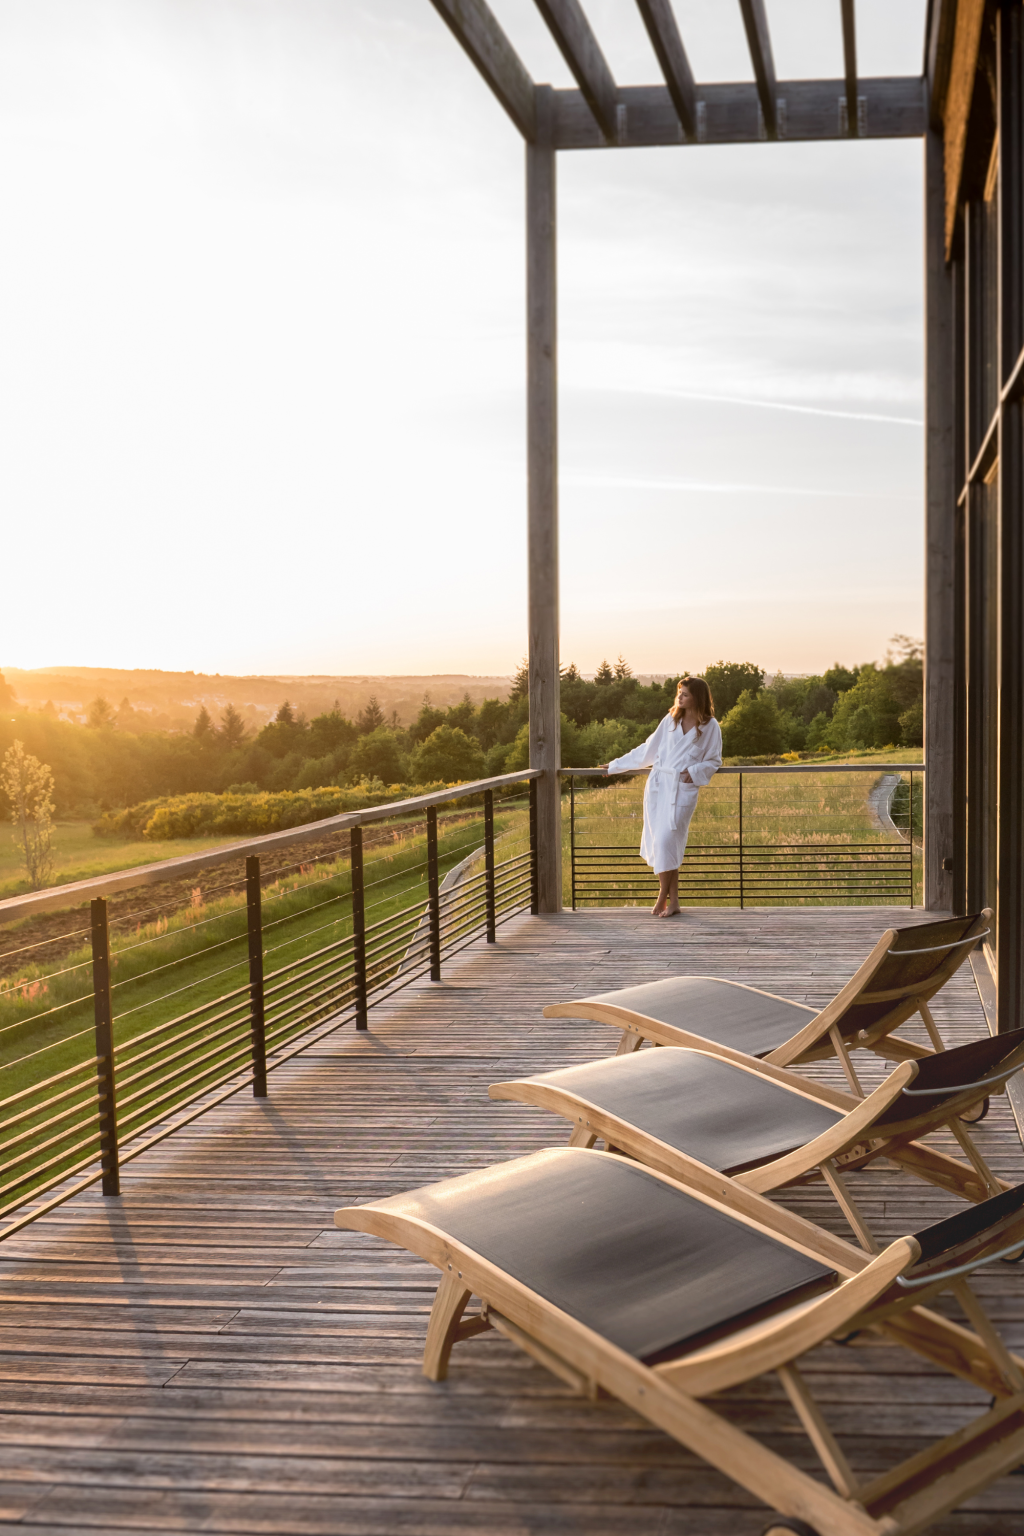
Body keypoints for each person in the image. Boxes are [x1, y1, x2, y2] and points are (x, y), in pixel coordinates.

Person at [599, 676, 722, 917]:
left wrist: (694, 772)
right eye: (679, 693)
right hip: (657, 787)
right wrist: (615, 765)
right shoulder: (670, 721)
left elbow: (714, 760)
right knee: (663, 844)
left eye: (685, 694)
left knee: (667, 841)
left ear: (698, 697)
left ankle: (661, 897)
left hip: (681, 789)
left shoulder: (710, 726)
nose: (680, 697)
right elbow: (647, 751)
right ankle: (673, 901)